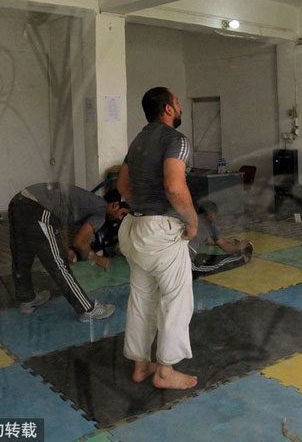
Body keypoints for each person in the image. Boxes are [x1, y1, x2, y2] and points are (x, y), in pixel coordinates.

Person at [117, 86, 199, 390]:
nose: (179, 108)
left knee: (142, 298)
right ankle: (165, 370)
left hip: (134, 229)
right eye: (177, 103)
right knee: (176, 300)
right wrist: (191, 222)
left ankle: (141, 365)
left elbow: (123, 186)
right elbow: (175, 187)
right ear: (167, 109)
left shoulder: (138, 140)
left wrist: (142, 206)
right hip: (161, 231)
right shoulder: (176, 140)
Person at [8, 183, 128, 319]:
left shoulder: (88, 201)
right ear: (115, 205)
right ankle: (87, 309)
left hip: (18, 201)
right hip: (38, 209)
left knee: (22, 254)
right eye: (123, 214)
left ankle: (26, 297)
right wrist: (96, 258)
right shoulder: (100, 212)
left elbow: (57, 222)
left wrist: (66, 249)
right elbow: (79, 242)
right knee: (59, 265)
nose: (120, 219)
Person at [189, 201, 253, 279]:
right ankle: (243, 259)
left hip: (177, 258)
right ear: (212, 215)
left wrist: (226, 241)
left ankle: (234, 256)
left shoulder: (192, 219)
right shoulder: (210, 225)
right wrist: (239, 246)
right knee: (218, 264)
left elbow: (209, 240)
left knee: (208, 257)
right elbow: (227, 248)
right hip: (187, 268)